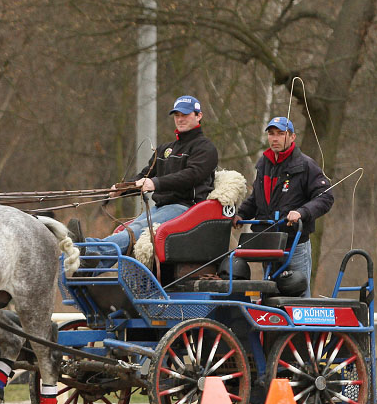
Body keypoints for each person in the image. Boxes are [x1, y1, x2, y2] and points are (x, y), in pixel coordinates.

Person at [70, 95, 218, 267]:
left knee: (136, 231)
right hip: (160, 208)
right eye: (177, 115)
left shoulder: (205, 148)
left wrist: (156, 183)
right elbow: (144, 175)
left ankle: (86, 249)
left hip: (186, 209)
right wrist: (123, 189)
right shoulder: (165, 149)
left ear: (198, 116)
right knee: (128, 231)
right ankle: (89, 270)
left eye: (185, 115)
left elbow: (192, 175)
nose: (180, 119)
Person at [232, 116, 333, 297]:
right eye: (271, 134)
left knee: (298, 296)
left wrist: (302, 212)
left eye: (281, 134)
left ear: (292, 137)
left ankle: (303, 326)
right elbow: (257, 198)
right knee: (270, 296)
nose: (275, 138)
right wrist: (240, 214)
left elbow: (325, 197)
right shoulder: (264, 164)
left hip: (294, 242)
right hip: (269, 243)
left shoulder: (306, 165)